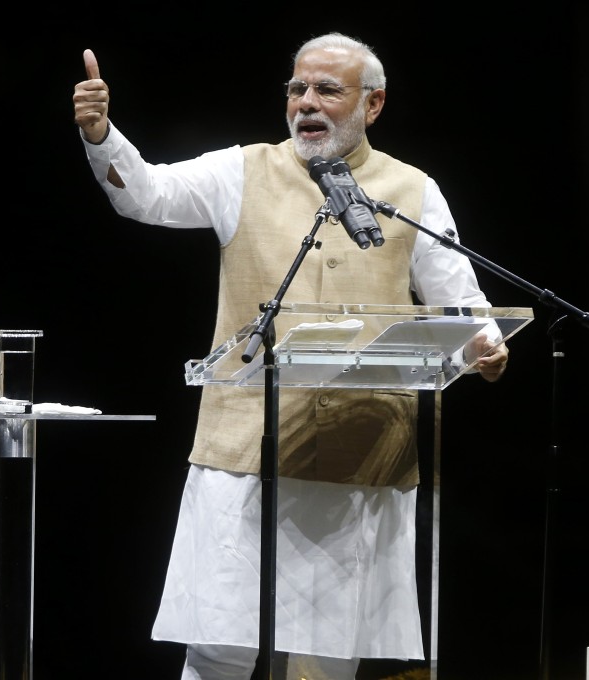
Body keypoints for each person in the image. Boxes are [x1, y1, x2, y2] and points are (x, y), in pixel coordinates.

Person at [72, 32, 510, 680]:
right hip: (246, 453)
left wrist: (484, 345)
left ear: (374, 103)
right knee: (219, 646)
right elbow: (148, 195)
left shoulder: (413, 190)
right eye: (296, 89)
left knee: (328, 658)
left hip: (362, 457)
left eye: (327, 89)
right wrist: (103, 133)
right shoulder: (242, 170)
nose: (306, 102)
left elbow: (463, 306)